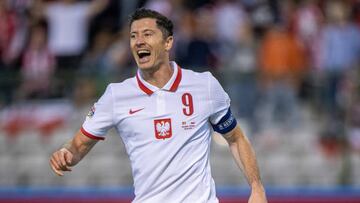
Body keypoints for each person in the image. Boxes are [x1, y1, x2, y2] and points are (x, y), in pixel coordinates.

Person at [49, 8, 267, 203]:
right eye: (133, 36)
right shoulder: (116, 95)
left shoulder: (204, 85)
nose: (139, 41)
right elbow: (79, 145)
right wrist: (65, 152)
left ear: (168, 42)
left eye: (147, 34)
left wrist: (257, 188)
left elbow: (236, 138)